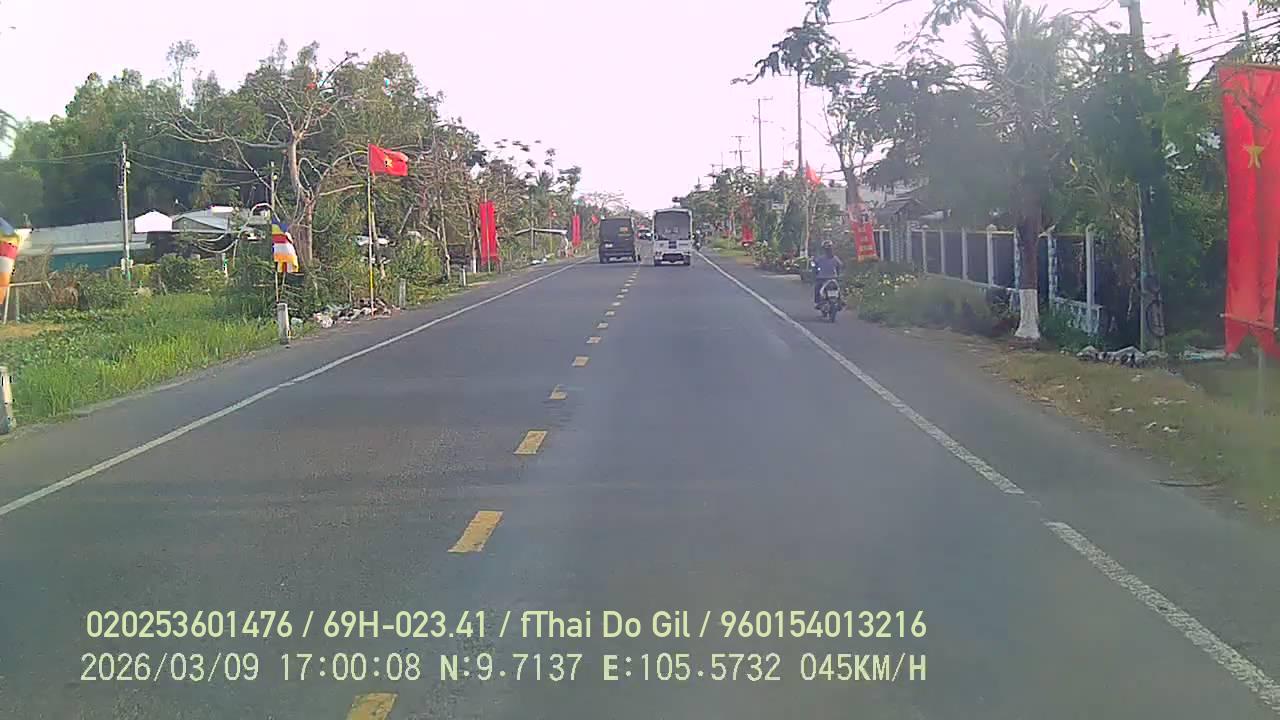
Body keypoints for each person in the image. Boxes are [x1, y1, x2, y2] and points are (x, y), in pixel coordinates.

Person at [813, 240, 843, 307]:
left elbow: (815, 266)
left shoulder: (821, 258)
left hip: (823, 278)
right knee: (839, 288)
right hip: (832, 278)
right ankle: (840, 301)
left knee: (817, 288)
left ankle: (818, 302)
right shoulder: (834, 258)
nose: (828, 250)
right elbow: (840, 266)